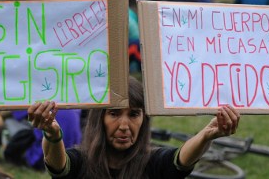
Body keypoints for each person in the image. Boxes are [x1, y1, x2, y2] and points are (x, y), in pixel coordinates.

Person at [27, 77, 240, 179]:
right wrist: (52, 134)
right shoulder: (80, 161)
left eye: (134, 114)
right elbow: (58, 164)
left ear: (144, 119)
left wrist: (207, 134)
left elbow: (181, 159)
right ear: (98, 119)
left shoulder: (153, 163)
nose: (124, 126)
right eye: (114, 113)